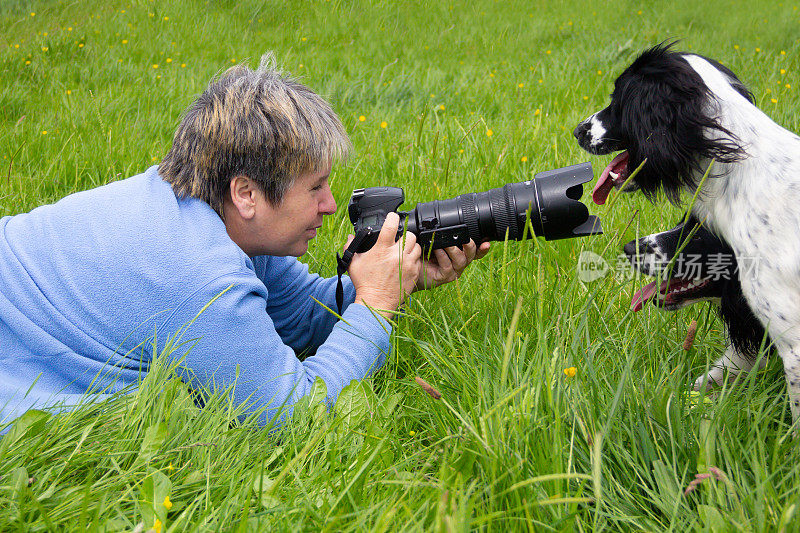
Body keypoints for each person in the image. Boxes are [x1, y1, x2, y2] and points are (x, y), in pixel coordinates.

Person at [0, 53, 489, 431]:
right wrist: (377, 305)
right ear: (247, 193)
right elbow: (295, 416)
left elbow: (297, 315)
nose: (330, 204)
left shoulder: (201, 212)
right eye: (315, 186)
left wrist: (394, 280)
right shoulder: (196, 273)